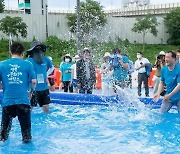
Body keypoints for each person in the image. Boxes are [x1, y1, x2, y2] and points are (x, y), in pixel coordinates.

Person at [0, 42, 36, 143]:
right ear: (23, 54)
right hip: (23, 101)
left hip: (7, 102)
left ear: (10, 52)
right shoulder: (28, 64)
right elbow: (33, 82)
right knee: (27, 136)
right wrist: (31, 92)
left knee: (3, 136)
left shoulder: (2, 65)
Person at [26, 41, 53, 113]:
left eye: (40, 49)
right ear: (32, 50)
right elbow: (25, 71)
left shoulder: (46, 59)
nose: (38, 50)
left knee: (46, 108)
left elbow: (52, 68)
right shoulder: (29, 61)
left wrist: (46, 74)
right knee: (30, 108)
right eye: (36, 49)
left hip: (44, 88)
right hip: (33, 88)